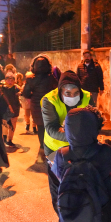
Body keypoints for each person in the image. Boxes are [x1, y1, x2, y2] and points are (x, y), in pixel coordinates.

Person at [51, 106, 111, 222]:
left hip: (79, 213)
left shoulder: (61, 155)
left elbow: (57, 180)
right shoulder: (104, 151)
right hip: (104, 214)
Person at [41, 70, 94, 214]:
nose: (72, 96)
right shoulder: (49, 100)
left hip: (79, 148)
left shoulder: (87, 97)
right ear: (60, 91)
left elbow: (93, 121)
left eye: (76, 93)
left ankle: (79, 214)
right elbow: (51, 128)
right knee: (58, 187)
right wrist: (78, 136)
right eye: (68, 94)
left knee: (77, 183)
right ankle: (62, 218)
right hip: (54, 149)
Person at [23, 54, 58, 162]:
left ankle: (43, 148)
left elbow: (26, 93)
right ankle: (50, 148)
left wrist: (32, 96)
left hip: (36, 106)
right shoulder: (51, 78)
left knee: (40, 127)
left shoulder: (30, 79)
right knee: (50, 126)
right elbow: (57, 90)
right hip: (50, 105)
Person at [1, 72, 21, 147]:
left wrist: (20, 92)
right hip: (5, 108)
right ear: (5, 80)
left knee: (13, 124)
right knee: (5, 124)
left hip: (15, 107)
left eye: (12, 80)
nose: (10, 82)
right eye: (8, 80)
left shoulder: (16, 87)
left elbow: (23, 91)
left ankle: (10, 140)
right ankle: (4, 139)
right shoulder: (2, 87)